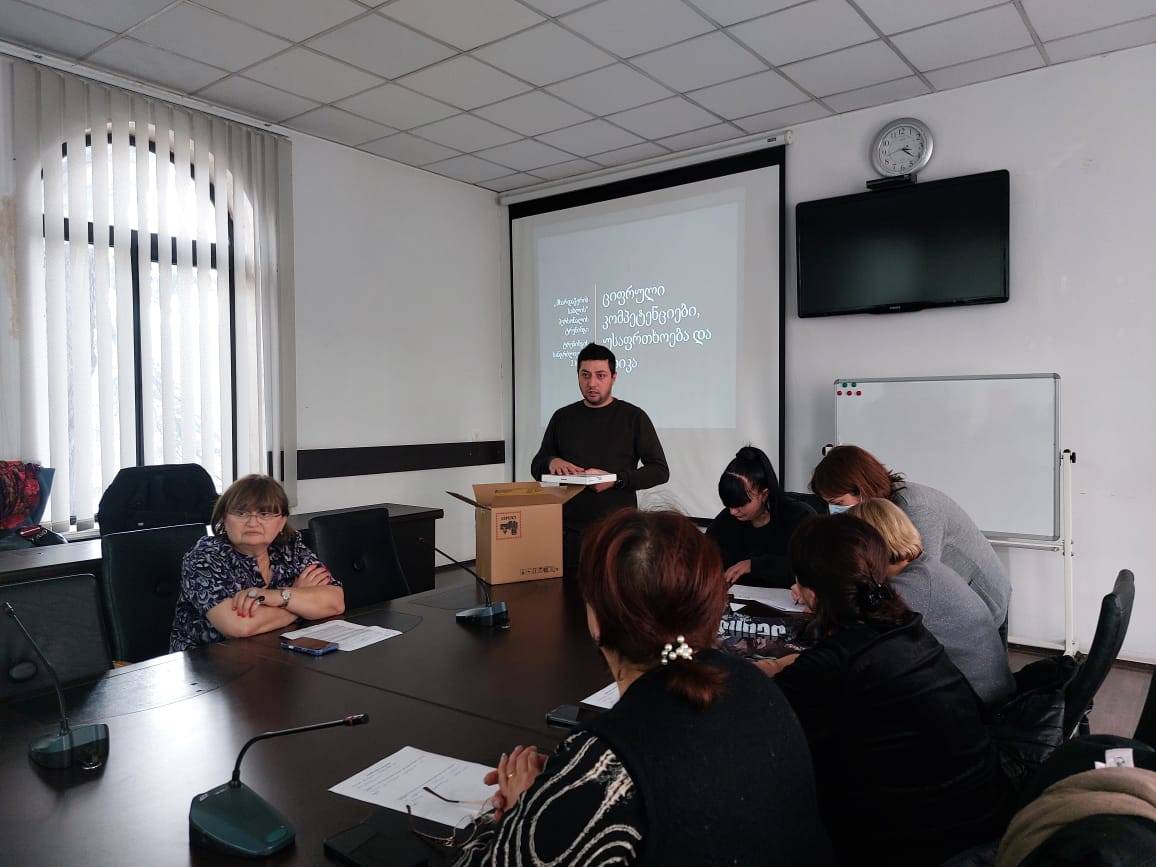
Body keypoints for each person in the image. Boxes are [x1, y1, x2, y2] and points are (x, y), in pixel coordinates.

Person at [454, 510, 831, 867]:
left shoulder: (610, 765)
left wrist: (524, 809)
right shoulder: (753, 683)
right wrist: (562, 788)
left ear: (597, 621)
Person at [763, 514, 1013, 867]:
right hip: (986, 820)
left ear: (812, 595)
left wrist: (764, 672)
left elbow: (765, 729)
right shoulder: (907, 627)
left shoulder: (833, 667)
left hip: (921, 845)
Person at [810, 444, 1011, 635]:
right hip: (948, 604)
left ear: (861, 489)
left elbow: (920, 579)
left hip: (982, 599)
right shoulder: (877, 510)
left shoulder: (916, 510)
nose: (835, 511)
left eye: (838, 503)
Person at [850, 498, 1015, 709]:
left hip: (980, 705)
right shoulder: (925, 567)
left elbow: (858, 631)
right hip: (986, 693)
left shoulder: (914, 584)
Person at [530, 343, 669, 573]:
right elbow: (537, 465)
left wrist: (615, 479)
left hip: (619, 533)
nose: (592, 383)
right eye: (585, 375)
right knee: (570, 593)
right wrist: (551, 462)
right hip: (571, 534)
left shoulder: (633, 417)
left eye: (600, 375)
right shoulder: (563, 417)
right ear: (578, 375)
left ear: (614, 377)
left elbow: (660, 470)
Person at [169, 474, 344, 652]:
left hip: (275, 654)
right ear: (224, 518)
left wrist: (276, 596)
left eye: (265, 514)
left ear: (282, 522)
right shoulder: (204, 558)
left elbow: (336, 602)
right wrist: (299, 600)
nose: (253, 522)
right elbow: (240, 627)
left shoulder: (290, 548)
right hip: (207, 662)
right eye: (241, 513)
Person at [706, 445, 814, 587]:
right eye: (728, 504)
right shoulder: (726, 520)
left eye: (740, 504)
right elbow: (705, 553)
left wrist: (754, 565)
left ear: (764, 494)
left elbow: (809, 569)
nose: (733, 511)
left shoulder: (799, 518)